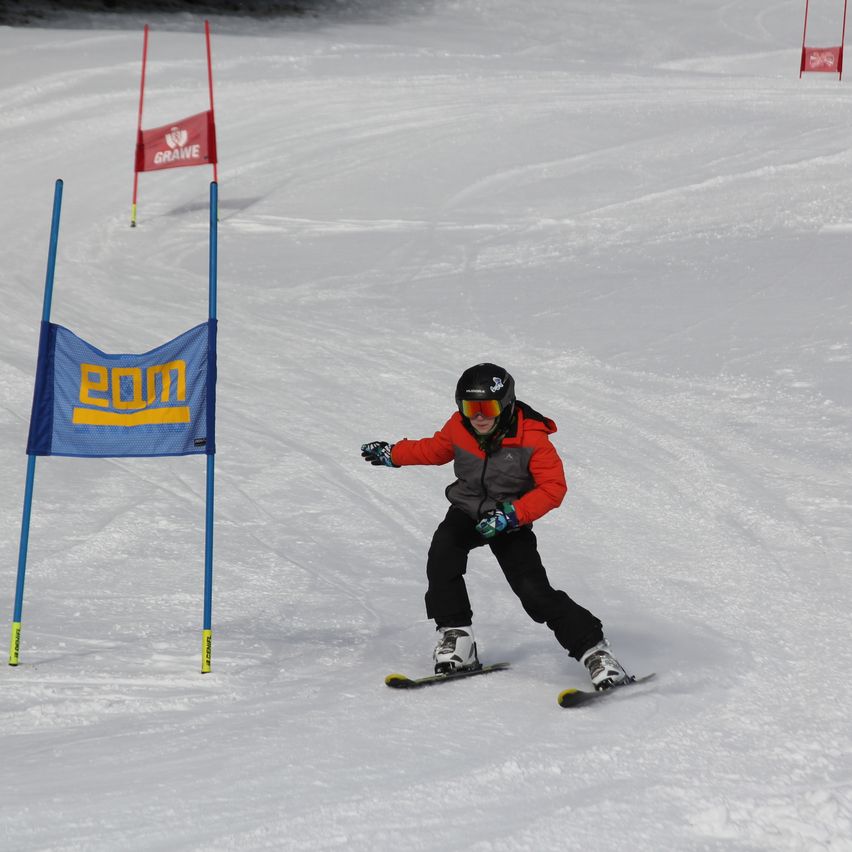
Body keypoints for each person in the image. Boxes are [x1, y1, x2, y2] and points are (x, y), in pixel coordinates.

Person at [361, 362, 630, 691]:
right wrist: (394, 454)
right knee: (443, 556)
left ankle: (596, 653)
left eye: (486, 408)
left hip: (510, 518)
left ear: (506, 404)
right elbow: (434, 449)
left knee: (534, 593)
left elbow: (553, 488)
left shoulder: (532, 438)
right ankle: (458, 638)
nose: (478, 417)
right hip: (467, 510)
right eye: (469, 408)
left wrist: (512, 515)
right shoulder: (459, 427)